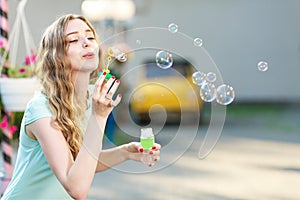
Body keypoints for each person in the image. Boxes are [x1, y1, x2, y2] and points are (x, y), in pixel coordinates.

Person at [1, 14, 160, 199]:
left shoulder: (91, 98)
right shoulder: (41, 109)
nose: (86, 43)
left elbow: (82, 162)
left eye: (90, 37)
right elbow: (76, 188)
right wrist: (99, 116)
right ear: (56, 56)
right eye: (74, 39)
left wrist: (125, 152)